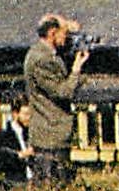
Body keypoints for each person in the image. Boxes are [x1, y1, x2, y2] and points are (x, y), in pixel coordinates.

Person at [24, 13, 88, 181]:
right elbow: (63, 92)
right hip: (50, 138)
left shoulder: (47, 54)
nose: (66, 38)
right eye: (64, 33)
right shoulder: (42, 59)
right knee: (53, 187)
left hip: (53, 137)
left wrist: (68, 26)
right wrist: (76, 70)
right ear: (52, 33)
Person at [0, 99, 36, 189]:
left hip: (31, 182)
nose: (28, 117)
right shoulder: (4, 135)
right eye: (25, 114)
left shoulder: (29, 134)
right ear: (15, 114)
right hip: (14, 183)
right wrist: (19, 155)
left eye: (30, 114)